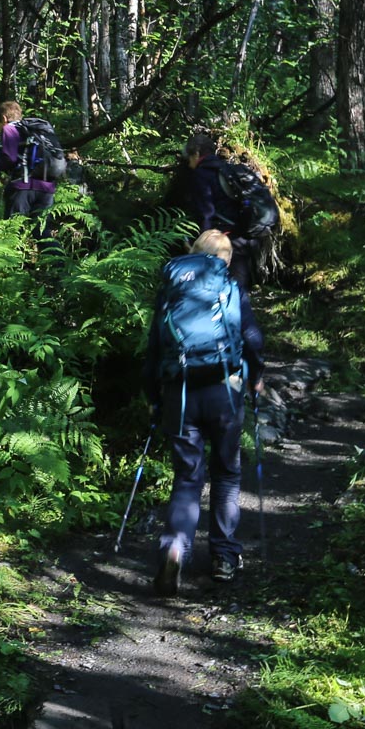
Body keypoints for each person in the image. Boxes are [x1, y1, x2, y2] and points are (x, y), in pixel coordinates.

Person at [146, 229, 264, 594]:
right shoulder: (230, 287)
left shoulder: (172, 287)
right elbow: (252, 339)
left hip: (179, 393)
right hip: (223, 391)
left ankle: (176, 548)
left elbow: (154, 346)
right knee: (226, 474)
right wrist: (256, 377)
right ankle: (224, 558)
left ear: (193, 252)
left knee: (187, 477)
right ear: (225, 260)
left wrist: (152, 395)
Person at [179, 131, 264, 296]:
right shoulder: (228, 170)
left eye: (189, 158)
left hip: (221, 241)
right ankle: (241, 319)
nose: (189, 164)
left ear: (196, 153)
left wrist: (202, 245)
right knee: (237, 292)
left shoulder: (201, 175)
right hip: (244, 237)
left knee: (214, 291)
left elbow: (206, 213)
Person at [0, 100, 60, 231]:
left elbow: (9, 159)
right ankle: (55, 252)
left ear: (4, 118)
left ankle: (12, 252)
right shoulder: (36, 131)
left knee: (12, 231)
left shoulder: (10, 129)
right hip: (47, 188)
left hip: (22, 187)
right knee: (42, 234)